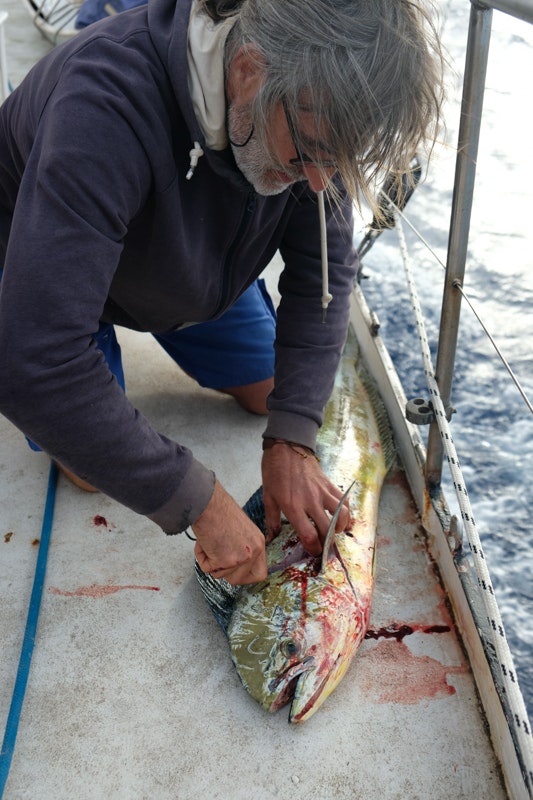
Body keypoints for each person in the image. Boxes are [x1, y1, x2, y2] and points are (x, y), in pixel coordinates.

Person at [0, 0, 443, 585]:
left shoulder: (318, 123)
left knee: (277, 395)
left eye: (336, 163)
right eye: (308, 153)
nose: (318, 182)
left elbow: (325, 277)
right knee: (89, 470)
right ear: (248, 70)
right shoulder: (102, 102)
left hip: (181, 271)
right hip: (53, 266)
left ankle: (179, 322)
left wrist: (293, 439)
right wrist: (199, 502)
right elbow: (32, 361)